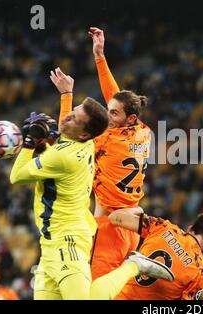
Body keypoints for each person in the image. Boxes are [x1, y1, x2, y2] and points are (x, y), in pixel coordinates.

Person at [52, 26, 152, 282]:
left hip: (110, 226)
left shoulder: (106, 140)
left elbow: (67, 133)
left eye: (113, 114)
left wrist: (66, 95)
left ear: (129, 117)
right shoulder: (143, 131)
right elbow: (115, 99)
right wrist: (99, 56)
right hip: (132, 222)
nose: (108, 117)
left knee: (94, 289)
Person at [9, 80, 110, 299]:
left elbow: (16, 176)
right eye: (73, 111)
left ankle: (131, 267)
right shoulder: (86, 141)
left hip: (68, 243)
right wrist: (66, 94)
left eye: (75, 118)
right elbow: (63, 136)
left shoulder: (62, 157)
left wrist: (29, 143)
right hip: (51, 246)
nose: (66, 117)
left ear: (84, 133)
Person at [90, 208, 203, 300]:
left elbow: (115, 217)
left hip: (116, 295)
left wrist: (139, 209)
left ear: (190, 228)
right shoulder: (201, 270)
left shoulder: (164, 227)